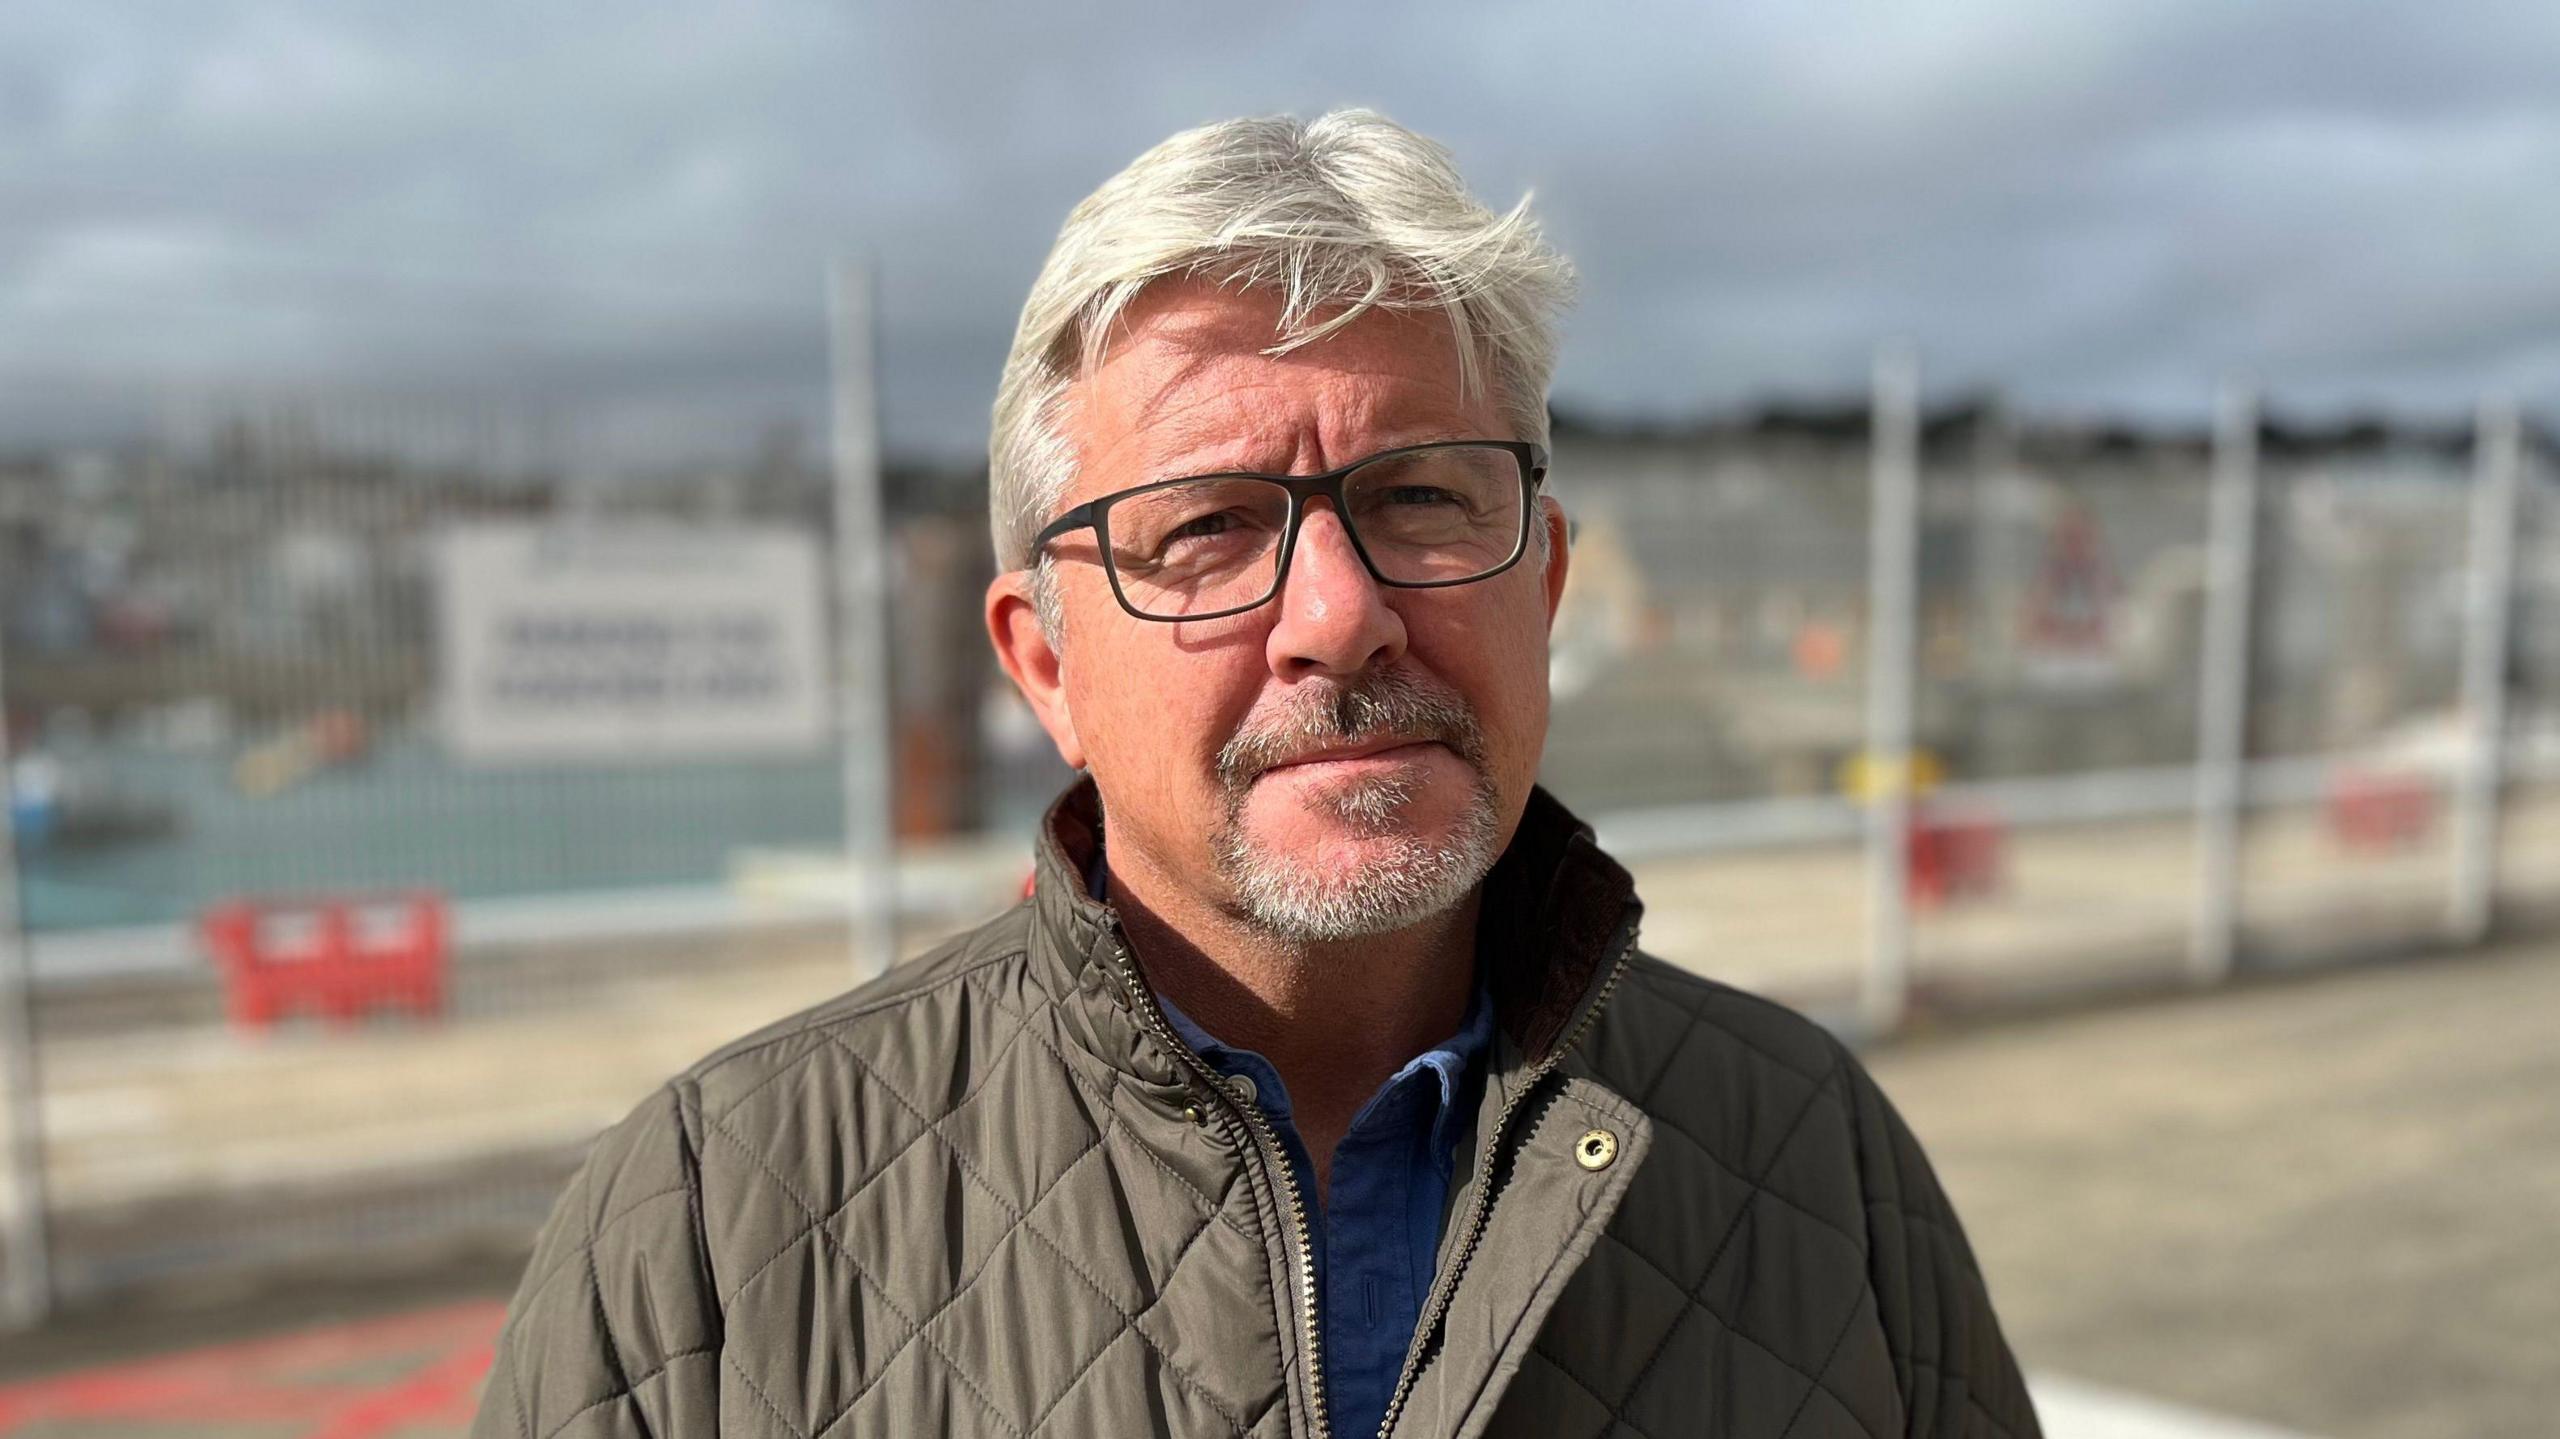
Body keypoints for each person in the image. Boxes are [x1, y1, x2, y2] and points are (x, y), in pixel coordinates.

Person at [476, 110, 2038, 1439]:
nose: (1343, 614)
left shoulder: (1812, 1150)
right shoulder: (699, 1227)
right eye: (1209, 528)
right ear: (1044, 664)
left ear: (1543, 586)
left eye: (1423, 496)